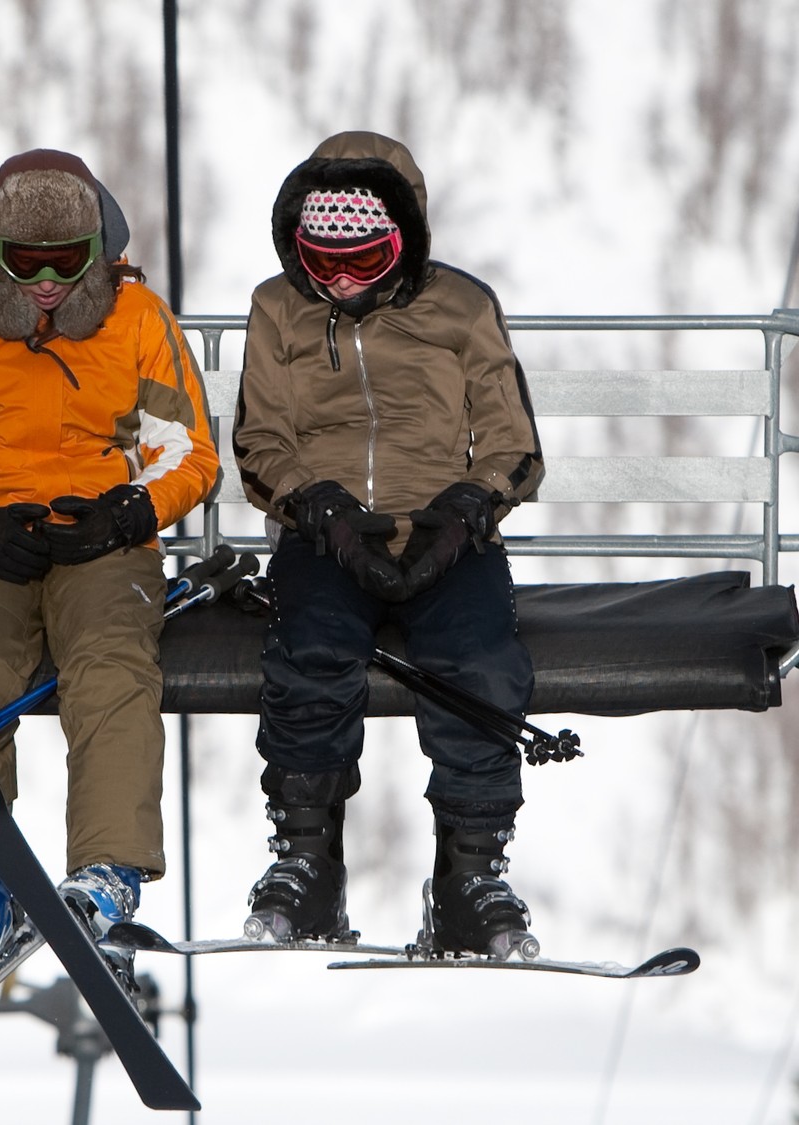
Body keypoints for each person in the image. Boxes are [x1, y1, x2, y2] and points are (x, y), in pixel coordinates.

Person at [0, 149, 219, 1014]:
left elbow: (191, 452)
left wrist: (130, 514)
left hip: (101, 538)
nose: (52, 281)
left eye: (71, 258)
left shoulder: (137, 318)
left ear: (97, 248)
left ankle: (105, 874)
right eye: (28, 264)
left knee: (110, 668)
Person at [231, 131, 546, 959]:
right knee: (310, 647)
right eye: (320, 262)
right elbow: (260, 437)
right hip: (329, 534)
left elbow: (514, 439)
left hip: (445, 531)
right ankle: (308, 858)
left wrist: (469, 507)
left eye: (364, 260)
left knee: (478, 660)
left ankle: (468, 875)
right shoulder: (276, 308)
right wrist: (318, 506)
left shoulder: (463, 307)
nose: (339, 282)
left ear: (403, 240)